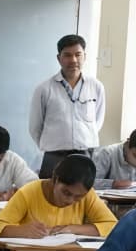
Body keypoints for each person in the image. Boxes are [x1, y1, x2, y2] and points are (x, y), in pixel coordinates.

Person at [29, 34, 106, 177]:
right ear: (59, 58)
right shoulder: (44, 89)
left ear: (85, 56)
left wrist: (84, 139)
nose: (73, 60)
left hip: (85, 154)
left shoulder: (96, 86)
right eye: (67, 55)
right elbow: (35, 127)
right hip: (54, 156)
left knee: (82, 190)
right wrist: (52, 145)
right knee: (51, 190)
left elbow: (98, 121)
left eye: (78, 54)